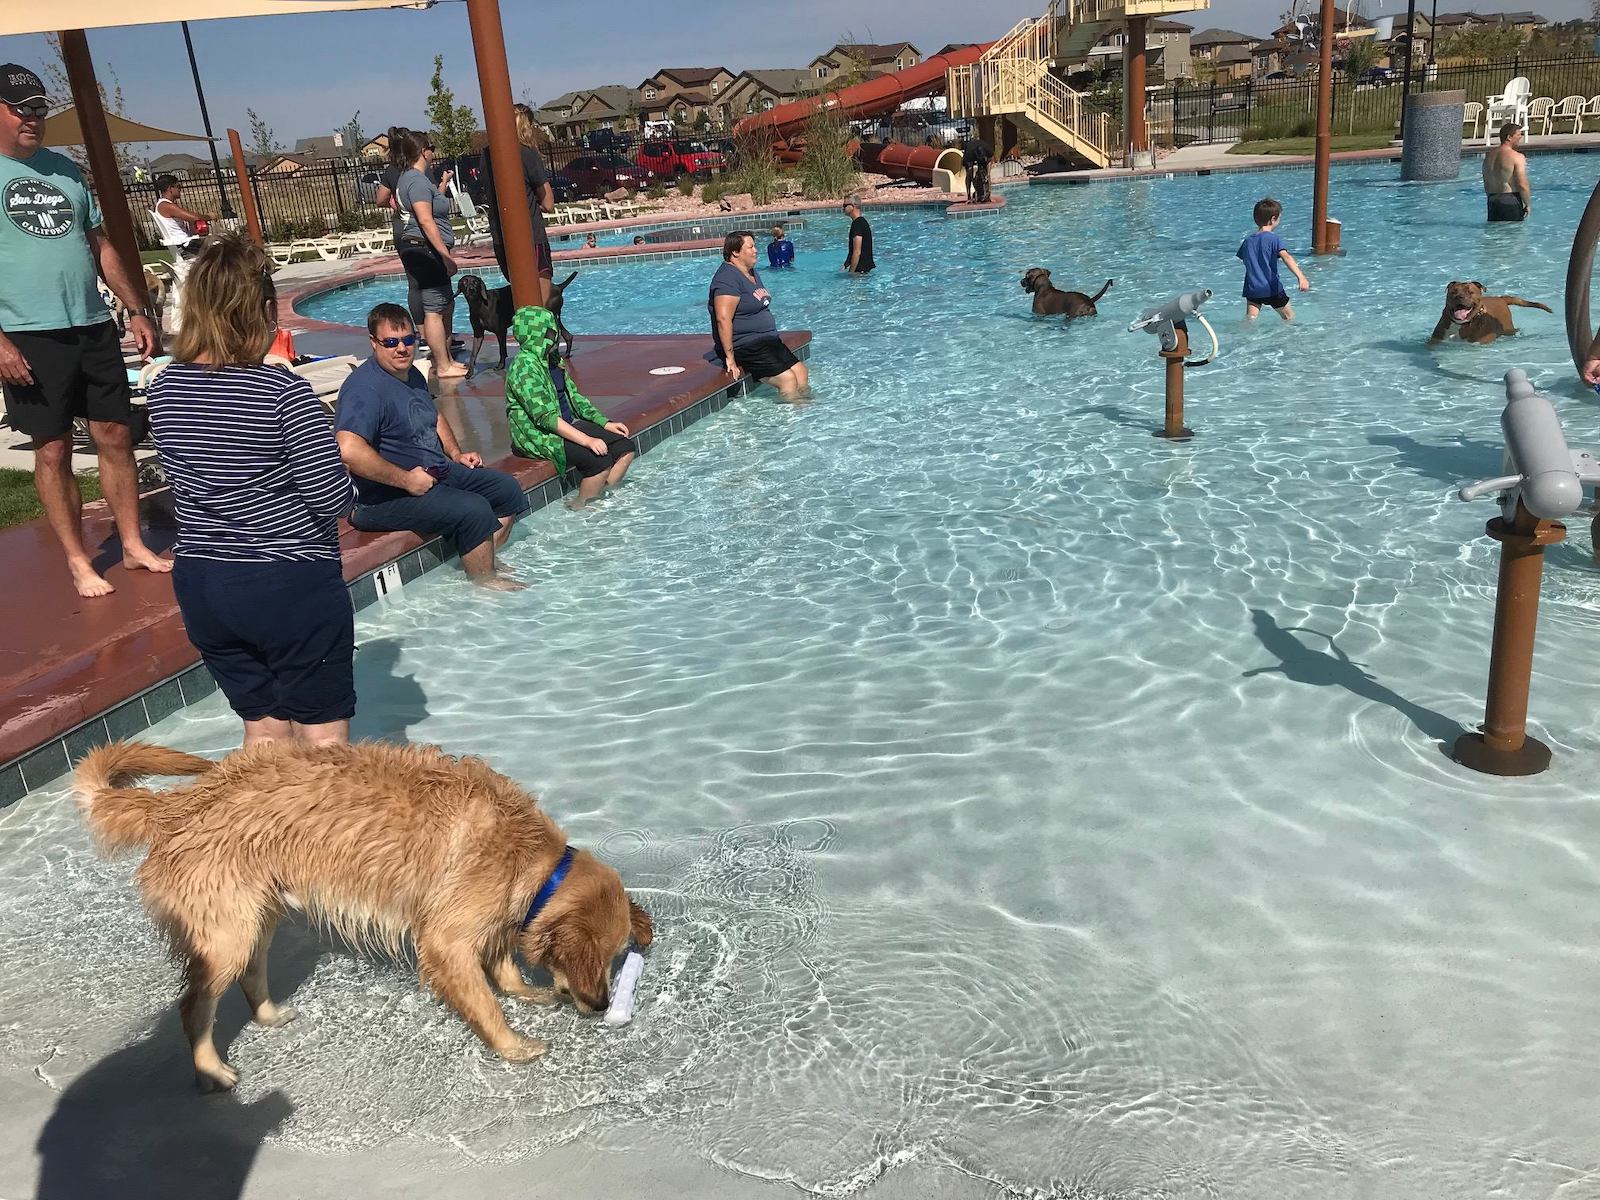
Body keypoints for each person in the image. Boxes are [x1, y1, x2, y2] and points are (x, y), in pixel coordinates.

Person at [146, 233, 357, 747]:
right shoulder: (280, 391)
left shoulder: (164, 388)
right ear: (260, 309)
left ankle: (262, 830)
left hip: (204, 583)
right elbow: (329, 497)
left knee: (263, 731)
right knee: (323, 744)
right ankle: (324, 832)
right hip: (286, 580)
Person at [0, 63, 171, 598]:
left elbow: (99, 246)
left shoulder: (66, 171)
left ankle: (132, 544)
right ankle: (78, 559)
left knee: (116, 434)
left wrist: (136, 307)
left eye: (39, 109)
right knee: (52, 448)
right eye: (21, 109)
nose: (34, 118)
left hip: (91, 324)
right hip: (27, 333)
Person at [335, 303, 528, 590]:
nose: (402, 348)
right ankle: (484, 583)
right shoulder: (365, 388)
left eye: (408, 339)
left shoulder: (411, 374)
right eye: (390, 342)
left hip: (436, 472)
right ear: (373, 343)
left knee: (505, 490)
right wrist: (407, 480)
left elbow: (433, 415)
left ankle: (480, 559)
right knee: (473, 509)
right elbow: (348, 450)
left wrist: (455, 453)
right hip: (379, 498)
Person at [506, 305, 635, 509]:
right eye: (549, 332)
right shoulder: (524, 367)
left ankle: (601, 495)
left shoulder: (553, 360)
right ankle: (581, 507)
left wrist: (605, 423)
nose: (555, 336)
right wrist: (587, 440)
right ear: (535, 335)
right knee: (598, 461)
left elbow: (576, 399)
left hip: (566, 427)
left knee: (624, 447)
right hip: (540, 435)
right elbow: (545, 418)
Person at [392, 131, 465, 377]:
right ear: (424, 151)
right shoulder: (416, 180)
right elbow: (425, 219)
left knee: (445, 303)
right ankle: (442, 366)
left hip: (422, 247)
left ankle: (446, 359)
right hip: (425, 249)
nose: (433, 152)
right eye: (431, 147)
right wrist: (445, 255)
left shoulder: (412, 179)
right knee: (435, 308)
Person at [708, 230, 809, 401]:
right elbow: (722, 319)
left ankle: (806, 412)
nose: (756, 250)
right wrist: (730, 358)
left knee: (801, 372)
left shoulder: (751, 272)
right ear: (735, 252)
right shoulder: (727, 279)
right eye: (751, 247)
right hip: (746, 346)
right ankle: (793, 423)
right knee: (788, 380)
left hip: (767, 341)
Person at [480, 103, 555, 305]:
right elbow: (548, 202)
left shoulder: (486, 156)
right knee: (539, 305)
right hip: (530, 236)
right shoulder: (526, 154)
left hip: (501, 237)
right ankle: (539, 336)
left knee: (521, 300)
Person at [149, 173, 209, 333]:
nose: (180, 189)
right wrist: (209, 216)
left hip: (186, 244)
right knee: (223, 247)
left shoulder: (167, 205)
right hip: (185, 247)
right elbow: (194, 217)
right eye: (178, 186)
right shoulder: (165, 205)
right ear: (170, 188)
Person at [1237, 197, 1310, 321]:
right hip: (1271, 288)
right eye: (1279, 218)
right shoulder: (1274, 239)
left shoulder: (1247, 241)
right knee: (1289, 317)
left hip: (1253, 288)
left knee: (1250, 319)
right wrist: (1301, 277)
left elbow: (1245, 260)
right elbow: (1286, 257)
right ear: (1273, 219)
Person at [1484, 122, 1531, 223]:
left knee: (1495, 235)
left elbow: (1486, 181)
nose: (1520, 137)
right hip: (1510, 201)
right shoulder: (1517, 157)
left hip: (1492, 201)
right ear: (1509, 137)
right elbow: (1522, 184)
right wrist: (1527, 204)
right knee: (1513, 236)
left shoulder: (1489, 157)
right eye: (1518, 135)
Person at [842, 201, 875, 274]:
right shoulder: (862, 222)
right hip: (865, 269)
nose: (842, 208)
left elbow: (857, 252)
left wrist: (851, 273)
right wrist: (846, 265)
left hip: (860, 271)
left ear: (853, 205)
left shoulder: (857, 224)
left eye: (845, 205)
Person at [963, 135, 993, 203]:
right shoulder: (969, 153)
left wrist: (987, 174)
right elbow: (970, 170)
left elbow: (990, 161)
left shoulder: (989, 150)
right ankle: (968, 196)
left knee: (987, 175)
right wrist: (974, 182)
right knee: (969, 175)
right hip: (970, 153)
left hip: (982, 150)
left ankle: (988, 195)